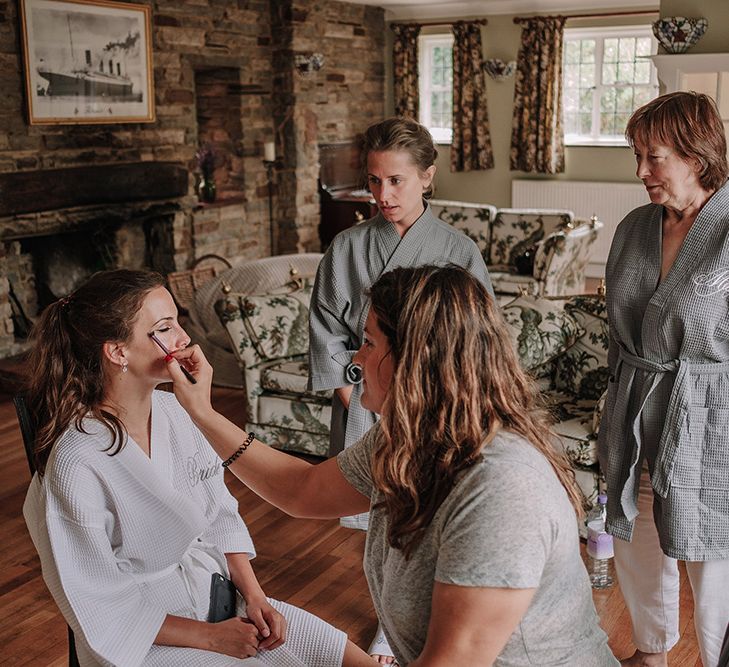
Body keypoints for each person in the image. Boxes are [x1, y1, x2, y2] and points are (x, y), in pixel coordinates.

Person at [168, 264, 618, 667]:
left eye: (367, 342)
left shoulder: (502, 489)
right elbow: (303, 490)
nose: (356, 358)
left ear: (416, 360)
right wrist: (203, 414)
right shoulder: (407, 438)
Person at [22, 269, 374, 667]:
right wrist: (211, 637)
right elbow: (99, 600)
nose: (184, 339)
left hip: (215, 593)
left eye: (178, 322)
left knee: (340, 656)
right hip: (145, 631)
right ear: (118, 352)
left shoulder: (177, 412)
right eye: (165, 328)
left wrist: (255, 597)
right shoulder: (77, 459)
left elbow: (220, 515)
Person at [308, 117, 493, 526]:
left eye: (396, 180)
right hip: (361, 400)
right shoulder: (346, 247)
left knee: (432, 521)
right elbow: (326, 331)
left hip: (437, 412)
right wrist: (355, 395)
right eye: (373, 181)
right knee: (372, 524)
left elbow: (479, 345)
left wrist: (423, 406)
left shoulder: (460, 252)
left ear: (427, 177)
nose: (382, 195)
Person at [598, 91, 729, 667]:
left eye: (655, 157)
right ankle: (652, 651)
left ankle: (717, 657)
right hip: (634, 401)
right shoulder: (634, 227)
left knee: (712, 553)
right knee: (638, 534)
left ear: (697, 156)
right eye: (638, 156)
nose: (641, 172)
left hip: (710, 416)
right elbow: (616, 327)